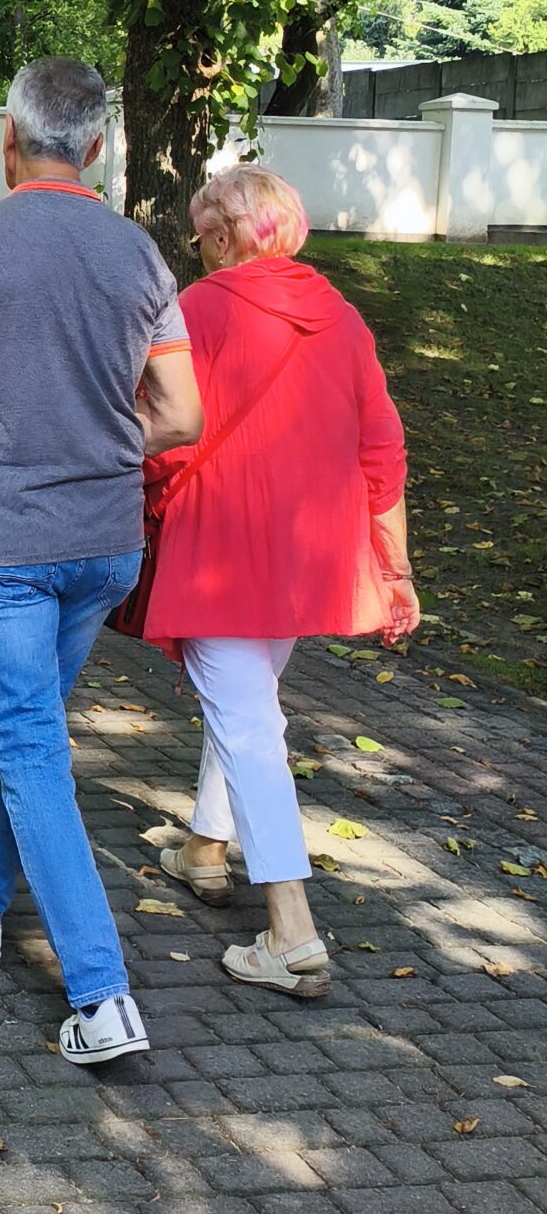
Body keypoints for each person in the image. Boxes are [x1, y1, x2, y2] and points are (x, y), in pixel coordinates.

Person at [0, 57, 204, 1067]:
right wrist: (99, 440)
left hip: (7, 539)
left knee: (32, 745)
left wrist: (5, 436)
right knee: (26, 724)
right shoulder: (140, 253)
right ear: (99, 146)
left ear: (10, 139)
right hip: (107, 541)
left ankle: (102, 997)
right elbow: (183, 414)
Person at [145, 165, 417, 996]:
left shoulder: (200, 310)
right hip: (310, 553)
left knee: (248, 725)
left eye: (201, 236)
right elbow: (382, 453)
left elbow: (168, 434)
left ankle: (292, 932)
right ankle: (205, 847)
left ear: (225, 235)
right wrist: (397, 567)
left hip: (222, 547)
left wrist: (144, 501)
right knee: (249, 706)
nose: (197, 251)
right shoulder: (343, 317)